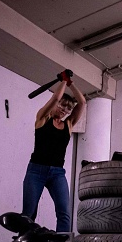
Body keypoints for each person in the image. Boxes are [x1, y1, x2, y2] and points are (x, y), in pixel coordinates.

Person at [21, 72, 86, 232]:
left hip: (57, 173)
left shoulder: (68, 125)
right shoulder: (42, 118)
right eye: (63, 106)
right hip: (36, 171)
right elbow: (56, 98)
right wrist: (63, 82)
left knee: (64, 212)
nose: (65, 110)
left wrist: (70, 83)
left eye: (69, 108)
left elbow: (82, 102)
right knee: (28, 214)